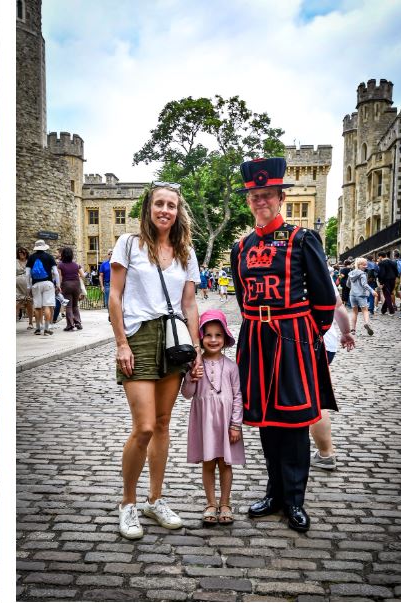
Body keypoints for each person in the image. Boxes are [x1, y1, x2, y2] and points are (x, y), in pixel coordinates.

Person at [230, 157, 336, 533]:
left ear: (279, 198)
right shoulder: (240, 247)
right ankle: (274, 493)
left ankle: (294, 500)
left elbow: (324, 299)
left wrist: (306, 336)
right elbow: (243, 296)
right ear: (249, 200)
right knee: (265, 421)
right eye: (255, 196)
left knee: (292, 421)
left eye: (267, 195)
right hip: (255, 339)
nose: (261, 201)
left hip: (292, 337)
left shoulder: (301, 238)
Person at [109, 182, 201, 539]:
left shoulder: (185, 251)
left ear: (179, 212)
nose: (165, 210)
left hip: (174, 340)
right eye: (159, 204)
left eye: (172, 206)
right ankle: (127, 504)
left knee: (163, 424)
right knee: (144, 426)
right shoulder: (129, 244)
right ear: (148, 208)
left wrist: (194, 349)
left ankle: (155, 499)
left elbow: (189, 304)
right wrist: (121, 343)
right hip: (139, 337)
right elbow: (114, 297)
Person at [181, 310, 244, 526]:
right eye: (208, 335)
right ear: (201, 338)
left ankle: (225, 502)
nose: (213, 339)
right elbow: (187, 394)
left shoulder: (231, 366)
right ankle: (210, 502)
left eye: (218, 335)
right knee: (208, 463)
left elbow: (237, 396)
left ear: (225, 338)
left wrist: (235, 424)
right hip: (204, 423)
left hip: (226, 423)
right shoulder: (195, 364)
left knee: (225, 464)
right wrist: (191, 377)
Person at [310, 283, 355, 471]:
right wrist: (346, 332)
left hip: (305, 340)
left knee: (310, 398)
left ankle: (325, 453)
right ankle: (325, 452)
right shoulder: (318, 268)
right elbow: (337, 306)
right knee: (315, 396)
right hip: (326, 342)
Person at [25, 240, 59, 336]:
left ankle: (38, 328)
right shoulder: (49, 257)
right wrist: (58, 285)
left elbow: (27, 274)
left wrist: (28, 287)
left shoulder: (31, 258)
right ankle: (47, 329)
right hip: (48, 283)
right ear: (44, 247)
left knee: (37, 307)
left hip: (36, 285)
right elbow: (56, 273)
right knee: (47, 306)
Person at [58, 247, 85, 331]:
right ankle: (78, 322)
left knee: (68, 306)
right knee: (75, 305)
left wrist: (59, 287)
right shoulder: (76, 265)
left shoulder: (60, 265)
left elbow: (60, 277)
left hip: (66, 285)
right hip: (76, 284)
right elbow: (83, 275)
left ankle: (70, 325)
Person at [348, 257, 374, 335]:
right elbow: (364, 284)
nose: (366, 266)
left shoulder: (351, 273)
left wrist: (354, 288)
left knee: (354, 312)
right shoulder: (362, 274)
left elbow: (348, 284)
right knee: (365, 310)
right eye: (364, 265)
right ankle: (366, 323)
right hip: (361, 295)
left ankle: (353, 329)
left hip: (352, 295)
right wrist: (372, 291)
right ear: (359, 265)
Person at [16, 246, 34, 329]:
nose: (21, 254)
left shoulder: (29, 262)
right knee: (17, 303)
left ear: (26, 254)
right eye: (20, 252)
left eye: (23, 252)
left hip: (28, 285)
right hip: (16, 286)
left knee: (29, 303)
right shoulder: (15, 262)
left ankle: (30, 323)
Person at [376, 251, 398, 315]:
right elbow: (396, 271)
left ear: (380, 256)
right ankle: (383, 310)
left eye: (379, 257)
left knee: (387, 295)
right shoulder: (393, 262)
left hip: (386, 280)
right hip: (393, 279)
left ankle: (391, 311)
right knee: (388, 295)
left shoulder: (381, 263)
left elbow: (382, 273)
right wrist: (396, 278)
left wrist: (381, 282)